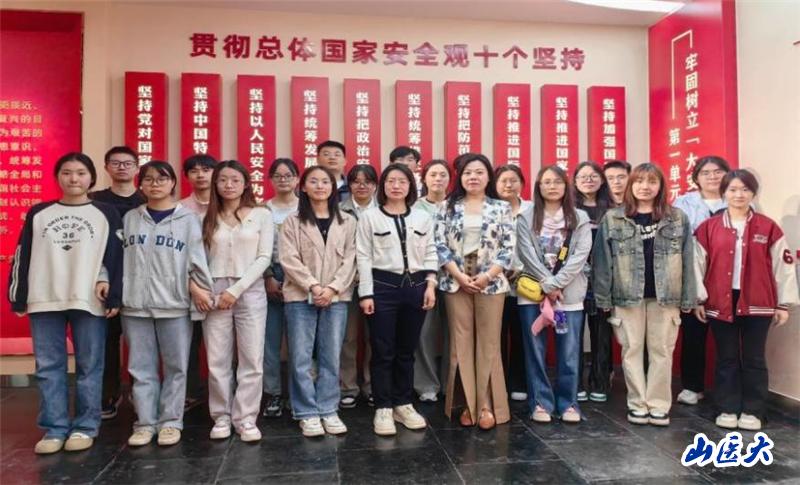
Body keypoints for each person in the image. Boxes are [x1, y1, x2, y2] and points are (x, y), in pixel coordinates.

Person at [8, 152, 123, 454]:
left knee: (90, 365)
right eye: (67, 172)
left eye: (81, 173)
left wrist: (113, 294)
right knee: (49, 366)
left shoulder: (106, 212)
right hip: (44, 297)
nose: (74, 178)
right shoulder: (39, 212)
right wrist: (18, 295)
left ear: (91, 178)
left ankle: (86, 426)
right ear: (58, 177)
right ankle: (54, 428)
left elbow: (115, 255)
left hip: (89, 299)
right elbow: (23, 254)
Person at [694, 169, 798, 431]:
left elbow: (783, 266)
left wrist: (783, 304)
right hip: (720, 300)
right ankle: (727, 408)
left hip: (758, 301)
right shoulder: (709, 227)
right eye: (732, 189)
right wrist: (698, 299)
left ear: (753, 193)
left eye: (745, 189)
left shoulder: (768, 227)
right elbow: (697, 265)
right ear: (724, 193)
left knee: (754, 358)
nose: (738, 195)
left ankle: (754, 410)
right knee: (726, 357)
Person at [593, 163, 695, 427]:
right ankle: (637, 403)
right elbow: (603, 262)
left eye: (652, 181)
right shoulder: (613, 218)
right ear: (631, 185)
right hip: (627, 297)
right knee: (632, 350)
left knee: (662, 351)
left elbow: (688, 259)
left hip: (666, 296)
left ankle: (659, 405)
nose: (645, 187)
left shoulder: (677, 218)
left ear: (660, 186)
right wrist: (603, 298)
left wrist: (688, 297)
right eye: (639, 181)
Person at [122, 161, 213, 447]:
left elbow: (197, 260)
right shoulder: (130, 218)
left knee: (177, 367)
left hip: (174, 304)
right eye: (148, 179)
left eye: (162, 179)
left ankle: (172, 422)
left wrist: (198, 290)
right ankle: (145, 423)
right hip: (135, 305)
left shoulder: (188, 219)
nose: (155, 184)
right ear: (140, 184)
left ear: (173, 183)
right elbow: (115, 257)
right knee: (140, 368)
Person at [357, 163, 438, 435]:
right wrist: (366, 293)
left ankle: (403, 403)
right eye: (391, 181)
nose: (396, 186)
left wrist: (431, 285)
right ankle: (383, 407)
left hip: (416, 288)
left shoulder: (422, 218)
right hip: (382, 288)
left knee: (406, 350)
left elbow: (430, 252)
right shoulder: (369, 217)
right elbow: (363, 256)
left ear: (410, 186)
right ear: (383, 186)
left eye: (402, 181)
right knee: (382, 350)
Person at [435, 153, 515, 430]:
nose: (473, 177)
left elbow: (508, 248)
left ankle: (487, 406)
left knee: (489, 344)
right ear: (460, 177)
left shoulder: (501, 207)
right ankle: (468, 405)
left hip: (490, 282)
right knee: (461, 344)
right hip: (455, 281)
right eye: (468, 172)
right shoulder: (446, 207)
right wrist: (458, 275)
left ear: (488, 176)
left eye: (479, 172)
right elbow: (439, 245)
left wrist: (487, 276)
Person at [280, 165, 357, 437]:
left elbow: (352, 259)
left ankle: (328, 408)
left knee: (331, 355)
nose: (320, 186)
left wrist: (332, 288)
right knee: (300, 357)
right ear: (303, 186)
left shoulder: (347, 221)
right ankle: (306, 412)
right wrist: (313, 286)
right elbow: (288, 258)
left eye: (326, 181)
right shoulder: (292, 221)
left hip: (336, 297)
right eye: (314, 181)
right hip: (300, 295)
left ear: (333, 187)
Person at [202, 161, 273, 442]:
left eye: (235, 179)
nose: (229, 185)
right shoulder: (206, 216)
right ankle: (221, 415)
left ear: (246, 184)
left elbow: (264, 257)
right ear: (215, 184)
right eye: (223, 180)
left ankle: (246, 418)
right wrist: (206, 289)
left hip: (250, 289)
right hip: (214, 290)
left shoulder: (261, 214)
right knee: (217, 358)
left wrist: (236, 290)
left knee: (252, 358)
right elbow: (197, 258)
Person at [516, 165, 592, 424]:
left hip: (567, 298)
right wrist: (549, 285)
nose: (552, 186)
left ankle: (568, 403)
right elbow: (526, 253)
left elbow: (580, 256)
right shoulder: (526, 217)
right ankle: (540, 402)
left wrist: (558, 283)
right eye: (546, 182)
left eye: (557, 181)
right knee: (535, 352)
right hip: (533, 296)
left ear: (566, 186)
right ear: (538, 186)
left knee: (568, 351)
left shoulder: (579, 218)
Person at [89, 146, 146, 420]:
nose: (122, 167)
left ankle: (140, 392)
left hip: (141, 279)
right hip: (105, 279)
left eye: (128, 163)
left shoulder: (147, 199)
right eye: (116, 162)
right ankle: (109, 393)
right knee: (107, 341)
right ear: (106, 167)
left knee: (142, 342)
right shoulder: (94, 200)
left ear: (137, 168)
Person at [672, 156, 730, 406]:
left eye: (718, 172)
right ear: (696, 177)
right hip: (692, 275)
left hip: (727, 277)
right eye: (706, 173)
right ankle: (692, 386)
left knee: (727, 338)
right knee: (693, 334)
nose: (712, 177)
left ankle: (728, 390)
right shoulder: (683, 202)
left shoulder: (737, 198)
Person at [573, 161, 614, 403]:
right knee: (574, 333)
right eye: (583, 177)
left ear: (601, 180)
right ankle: (575, 382)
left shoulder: (613, 210)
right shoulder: (569, 210)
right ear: (575, 182)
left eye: (593, 176)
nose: (588, 180)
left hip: (604, 279)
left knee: (602, 333)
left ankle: (599, 382)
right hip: (574, 278)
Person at [179, 154, 218, 411]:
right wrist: (193, 287)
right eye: (194, 171)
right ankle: (190, 392)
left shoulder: (228, 205)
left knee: (225, 346)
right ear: (186, 176)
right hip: (189, 287)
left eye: (206, 169)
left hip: (224, 284)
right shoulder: (180, 209)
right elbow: (176, 255)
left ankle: (225, 393)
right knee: (189, 344)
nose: (201, 175)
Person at [262, 158, 300, 418]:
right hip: (270, 275)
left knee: (301, 342)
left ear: (297, 179)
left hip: (300, 278)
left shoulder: (306, 207)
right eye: (278, 175)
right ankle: (273, 393)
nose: (283, 180)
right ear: (271, 180)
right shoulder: (262, 210)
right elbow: (258, 247)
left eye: (288, 175)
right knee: (270, 340)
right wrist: (267, 276)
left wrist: (297, 278)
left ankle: (299, 394)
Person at [339, 164, 379, 409]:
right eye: (356, 181)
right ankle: (348, 387)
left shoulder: (384, 209)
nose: (362, 186)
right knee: (349, 337)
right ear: (349, 185)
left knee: (376, 337)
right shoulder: (338, 210)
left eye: (367, 181)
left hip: (377, 282)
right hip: (347, 283)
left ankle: (373, 386)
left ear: (375, 185)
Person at [494, 164, 533, 403]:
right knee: (495, 336)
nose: (508, 185)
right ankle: (498, 383)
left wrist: (521, 270)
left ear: (522, 183)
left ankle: (519, 381)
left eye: (513, 180)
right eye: (503, 181)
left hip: (526, 283)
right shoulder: (490, 208)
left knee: (521, 334)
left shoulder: (531, 209)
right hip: (495, 282)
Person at [413, 160, 451, 402]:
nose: (438, 179)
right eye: (433, 174)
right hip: (424, 278)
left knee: (454, 333)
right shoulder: (414, 208)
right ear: (424, 179)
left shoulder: (457, 206)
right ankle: (426, 385)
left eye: (443, 175)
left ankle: (450, 383)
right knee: (424, 333)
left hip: (455, 278)